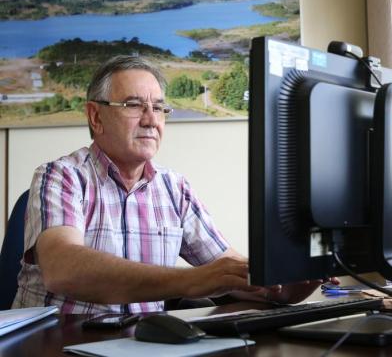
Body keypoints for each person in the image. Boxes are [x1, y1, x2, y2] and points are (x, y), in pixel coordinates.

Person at [12, 56, 329, 314]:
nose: (151, 119)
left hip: (141, 346)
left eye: (159, 107)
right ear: (95, 117)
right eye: (134, 106)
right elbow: (62, 267)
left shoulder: (174, 189)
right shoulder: (61, 176)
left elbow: (228, 272)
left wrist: (284, 285)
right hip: (57, 343)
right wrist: (190, 281)